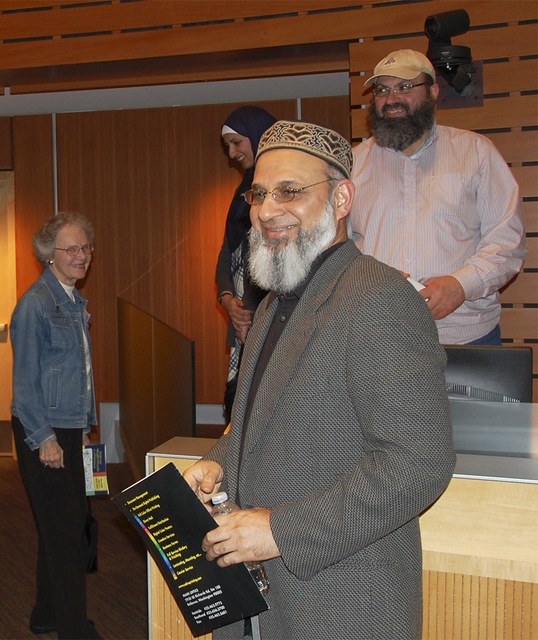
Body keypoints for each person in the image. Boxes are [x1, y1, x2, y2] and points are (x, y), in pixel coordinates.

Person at [184, 120, 456, 639]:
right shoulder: (274, 302)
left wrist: (281, 531)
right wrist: (216, 464)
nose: (266, 210)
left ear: (342, 198)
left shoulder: (378, 298)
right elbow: (262, 424)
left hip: (339, 604)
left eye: (290, 192)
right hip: (267, 601)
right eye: (259, 193)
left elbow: (420, 462)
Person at [350, 49, 526, 346]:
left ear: (433, 91)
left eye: (405, 87)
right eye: (382, 89)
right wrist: (369, 275)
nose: (391, 98)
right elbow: (338, 246)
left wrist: (461, 285)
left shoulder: (476, 152)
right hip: (378, 335)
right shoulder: (352, 164)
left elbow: (506, 241)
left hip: (466, 337)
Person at [10, 213, 101, 639]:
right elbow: (25, 384)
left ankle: (45, 614)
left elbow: (77, 372)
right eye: (71, 249)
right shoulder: (36, 304)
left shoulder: (72, 300)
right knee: (66, 534)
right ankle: (73, 628)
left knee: (60, 525)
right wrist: (45, 438)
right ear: (49, 255)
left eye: (85, 247)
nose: (81, 256)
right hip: (41, 431)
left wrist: (82, 427)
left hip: (66, 427)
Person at [216, 105, 277, 423]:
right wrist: (229, 302)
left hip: (272, 325)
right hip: (242, 325)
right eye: (227, 145)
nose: (232, 152)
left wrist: (252, 313)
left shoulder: (282, 194)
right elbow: (228, 254)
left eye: (237, 142)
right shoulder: (243, 193)